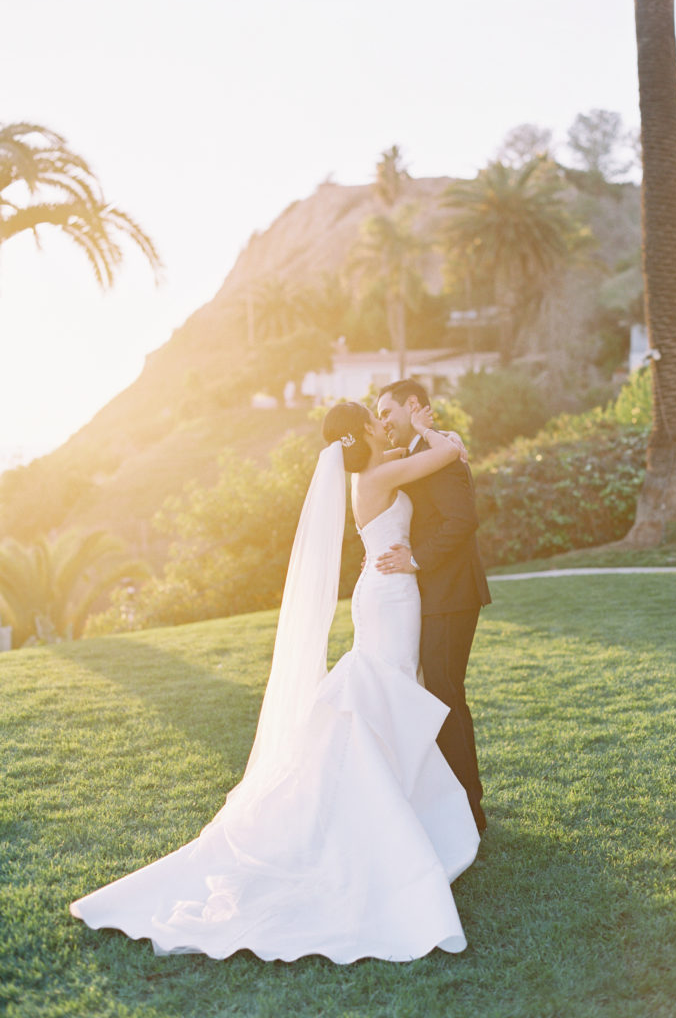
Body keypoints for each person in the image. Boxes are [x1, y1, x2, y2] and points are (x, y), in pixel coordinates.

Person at [69, 401, 480, 964]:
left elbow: (430, 458)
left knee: (388, 690)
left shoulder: (375, 469)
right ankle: (371, 812)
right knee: (380, 689)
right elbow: (449, 453)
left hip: (392, 591)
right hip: (389, 596)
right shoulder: (377, 476)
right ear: (363, 430)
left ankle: (393, 805)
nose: (383, 424)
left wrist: (421, 439)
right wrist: (433, 431)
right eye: (376, 418)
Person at [375, 380, 491, 833]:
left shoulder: (441, 452)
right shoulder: (426, 450)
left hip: (452, 594)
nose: (384, 422)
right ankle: (459, 803)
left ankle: (469, 809)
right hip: (436, 594)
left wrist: (415, 559)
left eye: (387, 412)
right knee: (441, 694)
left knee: (445, 697)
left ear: (412, 405)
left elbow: (463, 519)